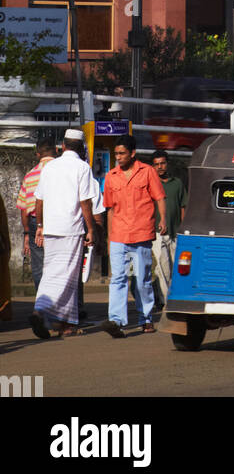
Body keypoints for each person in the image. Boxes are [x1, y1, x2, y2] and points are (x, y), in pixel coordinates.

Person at [30, 129, 96, 338]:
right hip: (71, 229)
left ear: (63, 147)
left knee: (52, 272)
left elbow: (38, 200)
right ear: (81, 149)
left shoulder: (49, 168)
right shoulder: (82, 168)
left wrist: (40, 224)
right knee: (67, 277)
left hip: (51, 228)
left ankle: (63, 324)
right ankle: (42, 312)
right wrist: (91, 228)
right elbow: (85, 201)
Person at [100, 138, 166, 337]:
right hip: (119, 235)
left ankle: (145, 318)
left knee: (141, 280)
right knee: (118, 278)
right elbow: (110, 209)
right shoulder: (111, 176)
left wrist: (163, 219)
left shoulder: (147, 172)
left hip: (141, 233)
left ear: (132, 153)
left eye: (122, 154)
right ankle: (116, 321)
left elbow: (160, 197)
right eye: (117, 154)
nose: (118, 157)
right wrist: (110, 238)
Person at [16, 139, 55, 294]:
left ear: (38, 154)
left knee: (39, 264)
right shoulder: (61, 171)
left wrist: (26, 233)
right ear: (57, 151)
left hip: (34, 222)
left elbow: (23, 208)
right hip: (57, 220)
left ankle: (42, 300)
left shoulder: (30, 175)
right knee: (58, 262)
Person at [150, 150, 186, 310]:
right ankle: (167, 302)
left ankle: (171, 297)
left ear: (167, 163)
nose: (160, 167)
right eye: (156, 164)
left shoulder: (177, 183)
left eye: (162, 163)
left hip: (175, 232)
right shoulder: (150, 184)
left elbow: (183, 206)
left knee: (175, 268)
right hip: (157, 233)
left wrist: (184, 229)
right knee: (163, 267)